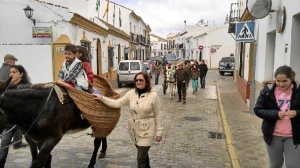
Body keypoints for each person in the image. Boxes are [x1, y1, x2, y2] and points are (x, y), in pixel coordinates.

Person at [92, 72, 163, 168]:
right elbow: (117, 103)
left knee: (140, 159)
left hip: (147, 131)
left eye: (141, 80)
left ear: (146, 82)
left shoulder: (153, 96)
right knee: (144, 155)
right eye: (136, 80)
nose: (138, 82)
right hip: (135, 130)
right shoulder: (131, 94)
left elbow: (158, 115)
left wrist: (159, 133)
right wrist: (102, 98)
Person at [254, 65, 300, 168]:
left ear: (291, 79)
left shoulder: (298, 92)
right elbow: (258, 110)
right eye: (278, 81)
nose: (281, 84)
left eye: (285, 81)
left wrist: (297, 113)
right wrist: (275, 114)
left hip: (294, 136)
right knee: (275, 165)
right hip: (273, 135)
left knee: (293, 165)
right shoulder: (267, 92)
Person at [0, 65, 31, 167]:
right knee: (4, 143)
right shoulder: (8, 86)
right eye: (10, 72)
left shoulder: (27, 87)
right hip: (10, 122)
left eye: (14, 72)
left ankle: (39, 160)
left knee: (33, 143)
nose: (11, 74)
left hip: (24, 122)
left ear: (21, 74)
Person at [0, 55, 27, 151]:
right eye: (14, 61)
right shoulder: (10, 70)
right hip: (9, 97)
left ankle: (6, 140)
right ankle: (17, 142)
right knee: (18, 120)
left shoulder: (1, 69)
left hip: (3, 99)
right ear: (11, 61)